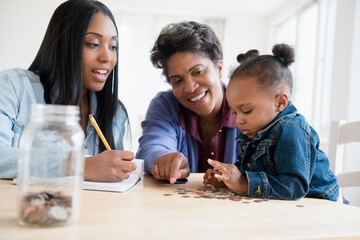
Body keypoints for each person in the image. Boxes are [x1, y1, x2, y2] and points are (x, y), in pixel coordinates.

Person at [0, 0, 136, 182]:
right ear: (64, 45)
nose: (107, 57)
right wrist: (77, 166)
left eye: (113, 46)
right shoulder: (14, 86)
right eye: (93, 44)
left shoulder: (114, 112)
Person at [203, 43, 339, 201]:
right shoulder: (253, 129)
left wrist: (243, 183)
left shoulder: (291, 128)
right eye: (234, 112)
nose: (238, 120)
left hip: (321, 203)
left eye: (246, 110)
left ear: (280, 102)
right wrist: (226, 178)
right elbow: (250, 171)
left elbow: (293, 186)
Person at [136, 21, 239, 184]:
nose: (190, 88)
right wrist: (163, 158)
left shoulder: (248, 105)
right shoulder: (165, 105)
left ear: (219, 68)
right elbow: (151, 147)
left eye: (198, 72)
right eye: (177, 80)